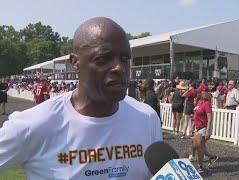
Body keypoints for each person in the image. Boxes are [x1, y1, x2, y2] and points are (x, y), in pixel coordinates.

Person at [0, 17, 162, 179]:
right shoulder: (32, 125)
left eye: (125, 59)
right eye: (103, 59)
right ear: (75, 62)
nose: (119, 68)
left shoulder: (146, 118)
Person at [191, 91, 218, 173]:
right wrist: (193, 126)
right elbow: (195, 115)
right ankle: (211, 157)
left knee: (200, 147)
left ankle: (200, 166)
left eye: (202, 92)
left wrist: (208, 131)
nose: (200, 93)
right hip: (197, 127)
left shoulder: (207, 104)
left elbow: (210, 118)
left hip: (203, 127)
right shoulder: (200, 102)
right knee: (195, 145)